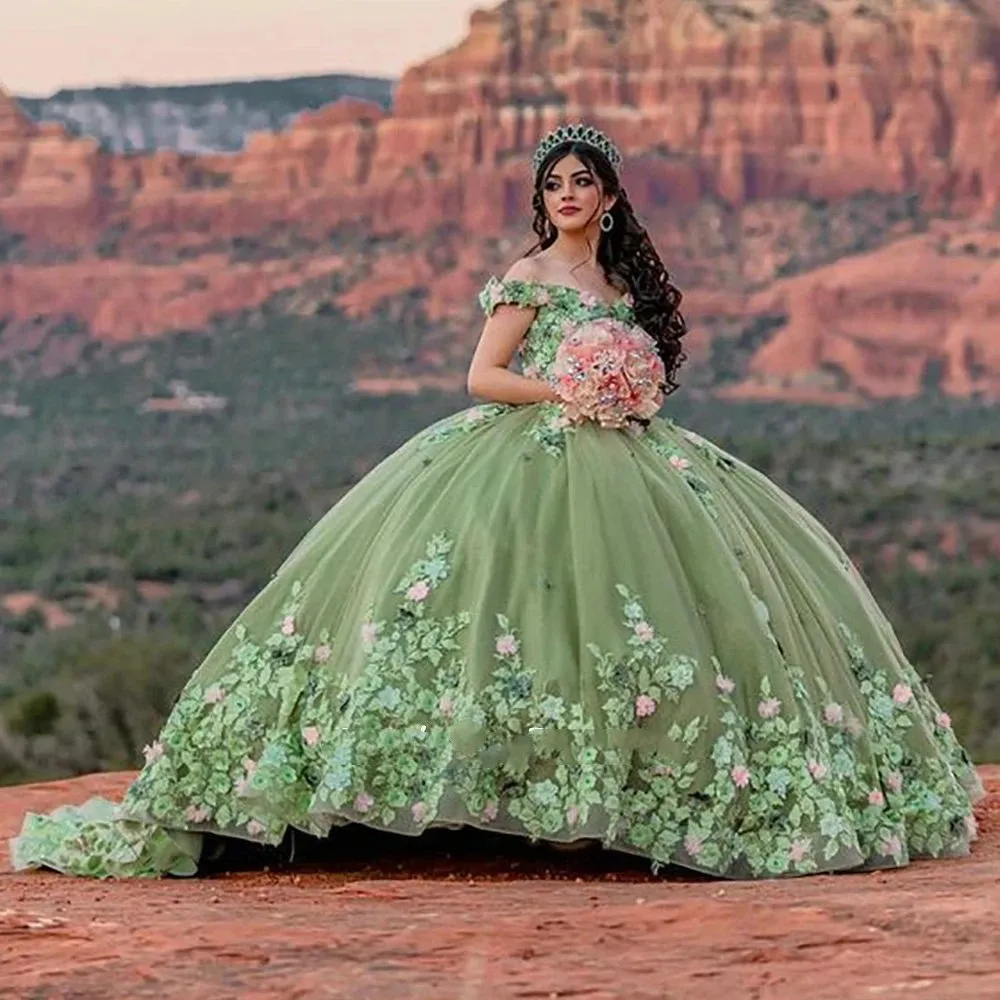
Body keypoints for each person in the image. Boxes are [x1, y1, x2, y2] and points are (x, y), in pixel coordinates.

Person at [11, 124, 982, 881]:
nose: (566, 196)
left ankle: (609, 793)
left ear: (608, 197)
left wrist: (627, 392)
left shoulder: (618, 282)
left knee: (640, 615)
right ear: (542, 199)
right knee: (501, 611)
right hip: (531, 450)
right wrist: (570, 391)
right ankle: (501, 787)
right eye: (553, 184)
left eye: (581, 182)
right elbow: (484, 375)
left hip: (636, 459)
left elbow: (642, 362)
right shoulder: (527, 277)